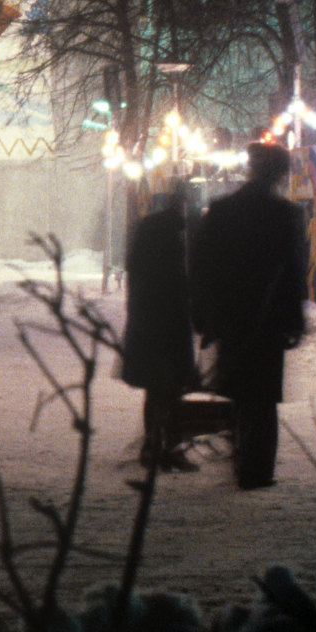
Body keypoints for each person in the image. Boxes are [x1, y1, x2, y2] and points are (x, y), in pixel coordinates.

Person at [189, 142, 309, 490]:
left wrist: (203, 315)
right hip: (268, 320)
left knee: (239, 389)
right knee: (264, 397)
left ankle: (241, 455)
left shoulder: (224, 210)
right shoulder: (283, 214)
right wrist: (294, 320)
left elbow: (201, 268)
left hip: (231, 317)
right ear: (278, 173)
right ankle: (257, 467)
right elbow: (292, 272)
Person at [120, 183, 197, 469]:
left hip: (147, 322)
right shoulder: (174, 237)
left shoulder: (148, 230)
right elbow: (179, 282)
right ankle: (171, 447)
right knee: (174, 388)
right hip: (170, 324)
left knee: (156, 389)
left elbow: (135, 271)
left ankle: (154, 445)